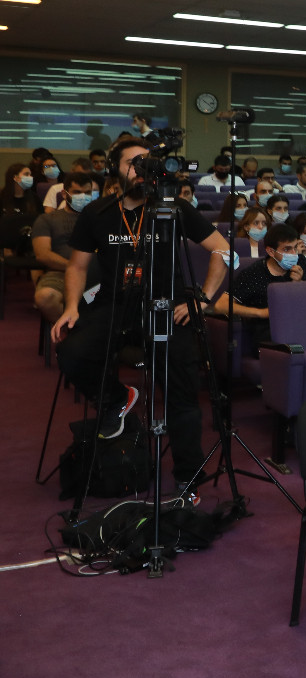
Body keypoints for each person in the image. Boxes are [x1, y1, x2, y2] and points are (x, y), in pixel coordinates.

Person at [51, 138, 230, 498]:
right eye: (132, 163)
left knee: (181, 390)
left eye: (147, 162)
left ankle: (187, 476)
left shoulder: (174, 208)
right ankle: (117, 399)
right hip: (115, 304)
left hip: (167, 306)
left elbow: (222, 250)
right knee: (72, 352)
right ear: (114, 170)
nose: (141, 169)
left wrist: (202, 300)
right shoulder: (98, 212)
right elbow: (77, 266)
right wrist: (71, 306)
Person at [213, 223, 306, 345]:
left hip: (299, 323)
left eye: (295, 248)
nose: (293, 254)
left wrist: (299, 284)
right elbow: (220, 305)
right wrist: (260, 313)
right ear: (271, 251)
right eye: (286, 249)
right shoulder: (254, 273)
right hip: (268, 331)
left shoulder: (301, 264)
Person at [32, 173, 99, 323]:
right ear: (64, 194)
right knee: (45, 297)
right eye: (77, 192)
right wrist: (76, 268)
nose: (83, 196)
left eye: (87, 193)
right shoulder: (47, 219)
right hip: (60, 273)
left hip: (98, 276)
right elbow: (43, 254)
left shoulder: (100, 218)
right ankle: (73, 330)